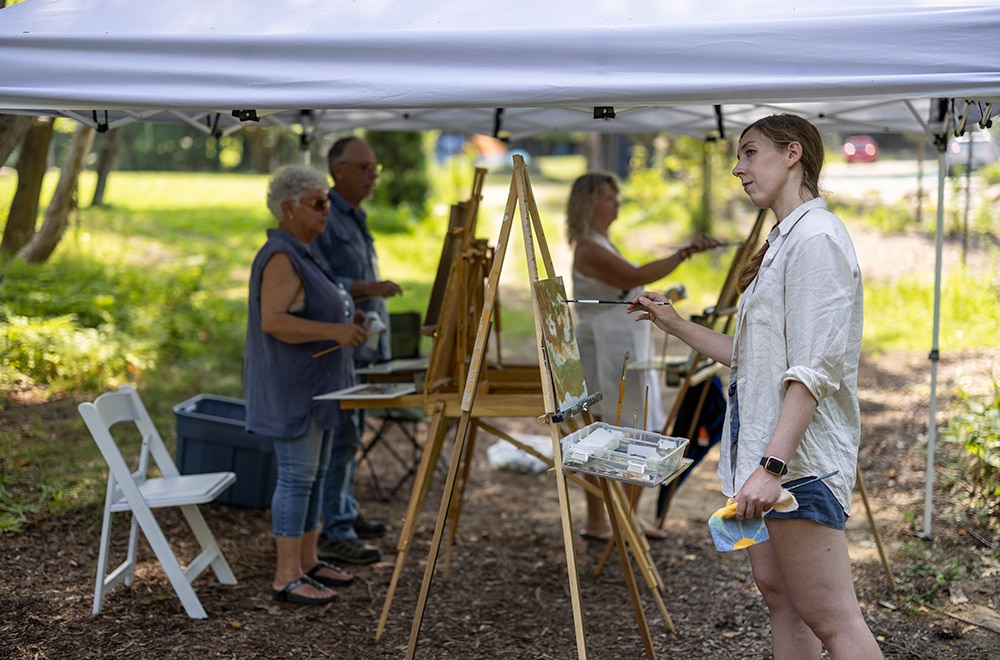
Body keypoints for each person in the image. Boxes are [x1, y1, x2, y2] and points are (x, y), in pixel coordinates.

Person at [629, 114, 883, 658]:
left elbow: (812, 370)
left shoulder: (816, 239)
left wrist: (772, 469)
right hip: (767, 457)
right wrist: (672, 322)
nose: (739, 170)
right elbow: (752, 360)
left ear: (793, 154)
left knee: (832, 617)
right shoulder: (785, 240)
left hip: (797, 464)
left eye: (749, 154)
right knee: (782, 599)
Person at [566, 171, 719, 541]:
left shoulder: (601, 241)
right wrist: (684, 252)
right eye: (608, 198)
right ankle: (609, 519)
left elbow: (628, 283)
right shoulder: (588, 247)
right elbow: (632, 274)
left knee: (625, 430)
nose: (616, 204)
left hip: (620, 343)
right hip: (605, 347)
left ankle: (620, 517)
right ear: (589, 204)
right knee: (614, 432)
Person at [244, 165, 368, 606]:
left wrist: (346, 320)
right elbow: (274, 321)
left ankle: (308, 563)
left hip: (317, 385)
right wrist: (335, 332)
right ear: (288, 207)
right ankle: (285, 577)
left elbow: (310, 308)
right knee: (297, 478)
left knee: (314, 478)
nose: (326, 211)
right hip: (295, 387)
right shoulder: (281, 255)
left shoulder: (302, 250)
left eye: (327, 203)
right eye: (318, 203)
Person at [310, 135, 401, 564]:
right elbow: (319, 280)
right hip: (342, 341)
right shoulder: (325, 216)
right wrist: (370, 289)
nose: (372, 175)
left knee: (354, 431)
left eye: (374, 168)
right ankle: (335, 528)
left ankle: (342, 510)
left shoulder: (355, 215)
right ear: (337, 170)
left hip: (364, 342)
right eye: (364, 168)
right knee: (343, 434)